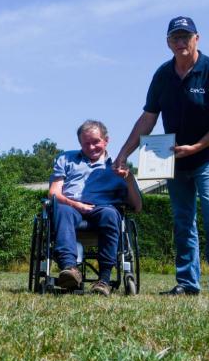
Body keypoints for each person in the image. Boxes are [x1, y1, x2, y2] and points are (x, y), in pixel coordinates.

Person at [113, 16, 209, 298]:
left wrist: (197, 146)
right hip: (174, 159)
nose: (180, 42)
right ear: (168, 42)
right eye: (175, 38)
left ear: (197, 38)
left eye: (186, 36)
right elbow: (148, 118)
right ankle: (187, 283)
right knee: (183, 219)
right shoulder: (162, 75)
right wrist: (123, 153)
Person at [49, 120, 142, 296]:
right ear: (80, 143)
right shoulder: (65, 159)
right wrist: (76, 204)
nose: (91, 147)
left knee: (110, 214)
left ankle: (104, 279)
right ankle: (70, 269)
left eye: (96, 142)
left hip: (102, 209)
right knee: (61, 208)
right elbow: (54, 193)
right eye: (86, 143)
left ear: (106, 140)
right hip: (71, 207)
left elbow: (137, 206)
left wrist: (128, 178)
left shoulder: (117, 167)